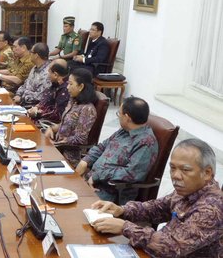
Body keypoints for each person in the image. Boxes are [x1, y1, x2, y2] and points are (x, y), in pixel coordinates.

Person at [91, 139, 222, 257]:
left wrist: (125, 227)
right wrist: (122, 210)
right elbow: (157, 208)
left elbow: (172, 247)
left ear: (207, 173)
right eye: (173, 168)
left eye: (185, 170)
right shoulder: (188, 190)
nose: (176, 175)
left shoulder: (212, 208)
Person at [76, 97, 158, 204]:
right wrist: (85, 161)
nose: (118, 117)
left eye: (119, 114)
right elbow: (102, 146)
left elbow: (130, 174)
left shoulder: (146, 143)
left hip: (109, 192)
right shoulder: (125, 130)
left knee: (70, 205)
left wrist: (96, 176)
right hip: (91, 179)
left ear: (127, 117)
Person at [44, 68, 97, 166]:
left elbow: (80, 138)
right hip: (57, 149)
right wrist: (51, 128)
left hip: (68, 157)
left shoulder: (87, 109)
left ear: (81, 86)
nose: (67, 87)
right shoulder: (73, 101)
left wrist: (56, 143)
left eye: (70, 84)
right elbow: (65, 124)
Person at [28, 58, 70, 125]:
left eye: (49, 72)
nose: (47, 75)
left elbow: (57, 114)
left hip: (49, 124)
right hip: (39, 118)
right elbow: (45, 100)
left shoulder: (66, 89)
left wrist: (37, 113)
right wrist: (36, 107)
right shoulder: (55, 84)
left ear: (55, 75)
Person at [12, 42, 51, 108]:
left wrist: (22, 99)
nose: (29, 54)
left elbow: (41, 96)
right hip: (22, 103)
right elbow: (25, 84)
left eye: (31, 52)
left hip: (32, 107)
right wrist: (18, 94)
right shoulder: (34, 68)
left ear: (36, 55)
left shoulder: (48, 72)